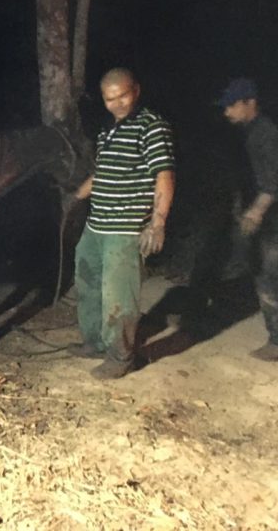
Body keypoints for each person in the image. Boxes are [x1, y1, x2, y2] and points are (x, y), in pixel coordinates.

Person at [71, 68, 176, 379]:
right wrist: (76, 195)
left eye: (123, 96)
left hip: (125, 227)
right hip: (96, 225)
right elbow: (102, 173)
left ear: (136, 91)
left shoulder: (151, 126)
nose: (117, 103)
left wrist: (157, 223)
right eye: (109, 98)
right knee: (88, 283)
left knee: (119, 293)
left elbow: (164, 176)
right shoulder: (108, 131)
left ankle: (121, 356)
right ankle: (95, 342)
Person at [218, 77, 278, 361]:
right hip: (261, 216)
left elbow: (277, 182)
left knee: (270, 275)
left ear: (249, 103)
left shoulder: (266, 133)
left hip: (273, 218)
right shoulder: (249, 132)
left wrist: (257, 211)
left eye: (231, 106)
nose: (226, 112)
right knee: (256, 270)